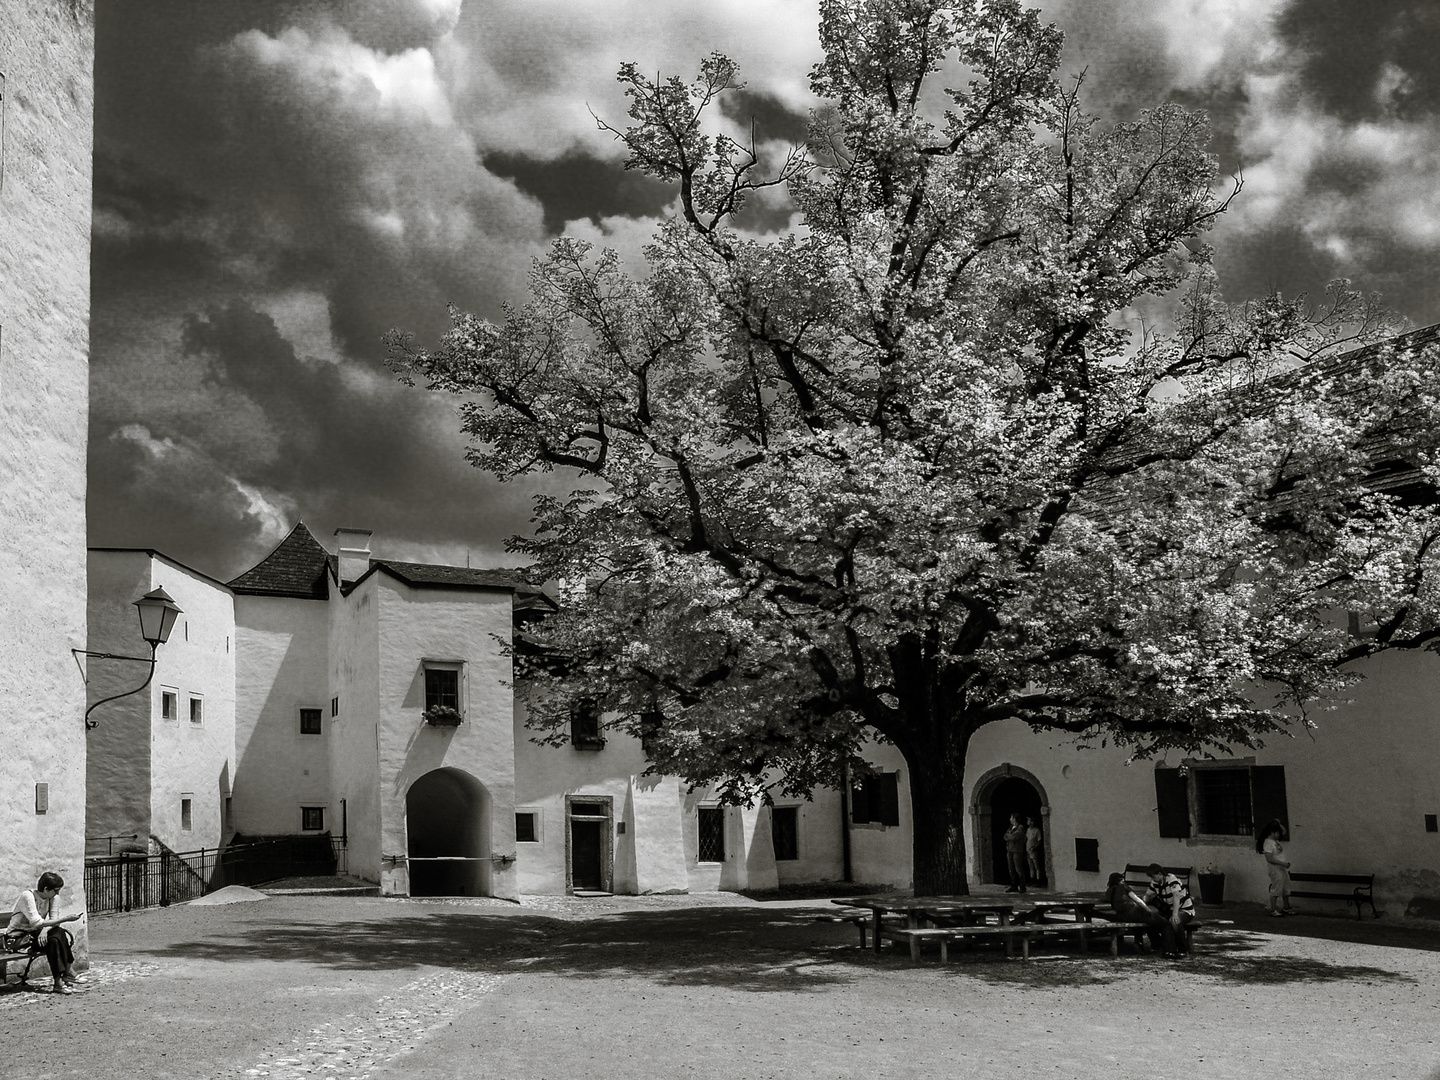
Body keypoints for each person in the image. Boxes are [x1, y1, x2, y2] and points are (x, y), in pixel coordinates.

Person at [8, 872, 84, 993]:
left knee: (56, 935)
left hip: (35, 935)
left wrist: (44, 930)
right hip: (18, 939)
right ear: (45, 889)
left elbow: (54, 920)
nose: (57, 893)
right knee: (55, 938)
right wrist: (65, 919)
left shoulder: (53, 898)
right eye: (56, 890)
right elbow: (35, 922)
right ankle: (66, 974)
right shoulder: (27, 896)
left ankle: (60, 980)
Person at [1104, 871, 1168, 951]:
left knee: (1143, 922)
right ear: (1120, 881)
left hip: (1122, 916)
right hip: (1133, 911)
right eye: (1122, 880)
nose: (1123, 881)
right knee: (1160, 921)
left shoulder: (1109, 891)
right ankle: (1164, 945)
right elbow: (1137, 900)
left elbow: (1110, 900)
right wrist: (1148, 910)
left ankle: (1140, 943)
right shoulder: (1123, 887)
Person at [1143, 863, 1196, 958]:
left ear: (1159, 874)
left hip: (1184, 910)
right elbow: (1148, 895)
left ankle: (1182, 949)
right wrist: (1143, 902)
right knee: (1152, 920)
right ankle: (1160, 946)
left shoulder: (1171, 879)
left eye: (1153, 876)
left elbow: (1177, 896)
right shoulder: (1155, 883)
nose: (1152, 879)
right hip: (1168, 910)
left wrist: (1175, 914)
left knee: (1175, 922)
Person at [1257, 819, 1295, 916]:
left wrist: (1278, 823)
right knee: (1276, 888)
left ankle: (1286, 907)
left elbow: (1283, 831)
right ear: (1272, 833)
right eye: (1277, 832)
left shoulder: (1275, 841)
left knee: (1286, 888)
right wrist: (1283, 864)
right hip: (1275, 869)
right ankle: (1273, 909)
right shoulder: (1268, 843)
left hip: (1282, 868)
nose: (1279, 834)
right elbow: (1269, 859)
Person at [1003, 813, 1027, 893]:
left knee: (1018, 869)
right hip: (1010, 850)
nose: (1010, 819)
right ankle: (1014, 886)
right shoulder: (1010, 827)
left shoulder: (1020, 828)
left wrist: (1009, 836)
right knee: (1011, 869)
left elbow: (1016, 837)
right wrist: (1010, 836)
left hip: (1017, 850)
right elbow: (1005, 836)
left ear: (1014, 819)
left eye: (1011, 818)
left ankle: (1022, 887)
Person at [1025, 817, 1043, 884]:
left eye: (1028, 820)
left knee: (1036, 866)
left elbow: (1039, 841)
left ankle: (1039, 880)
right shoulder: (1028, 830)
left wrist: (1035, 847)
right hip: (1028, 851)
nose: (1027, 821)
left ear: (1032, 822)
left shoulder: (1037, 830)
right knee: (1031, 866)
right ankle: (1032, 879)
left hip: (1034, 851)